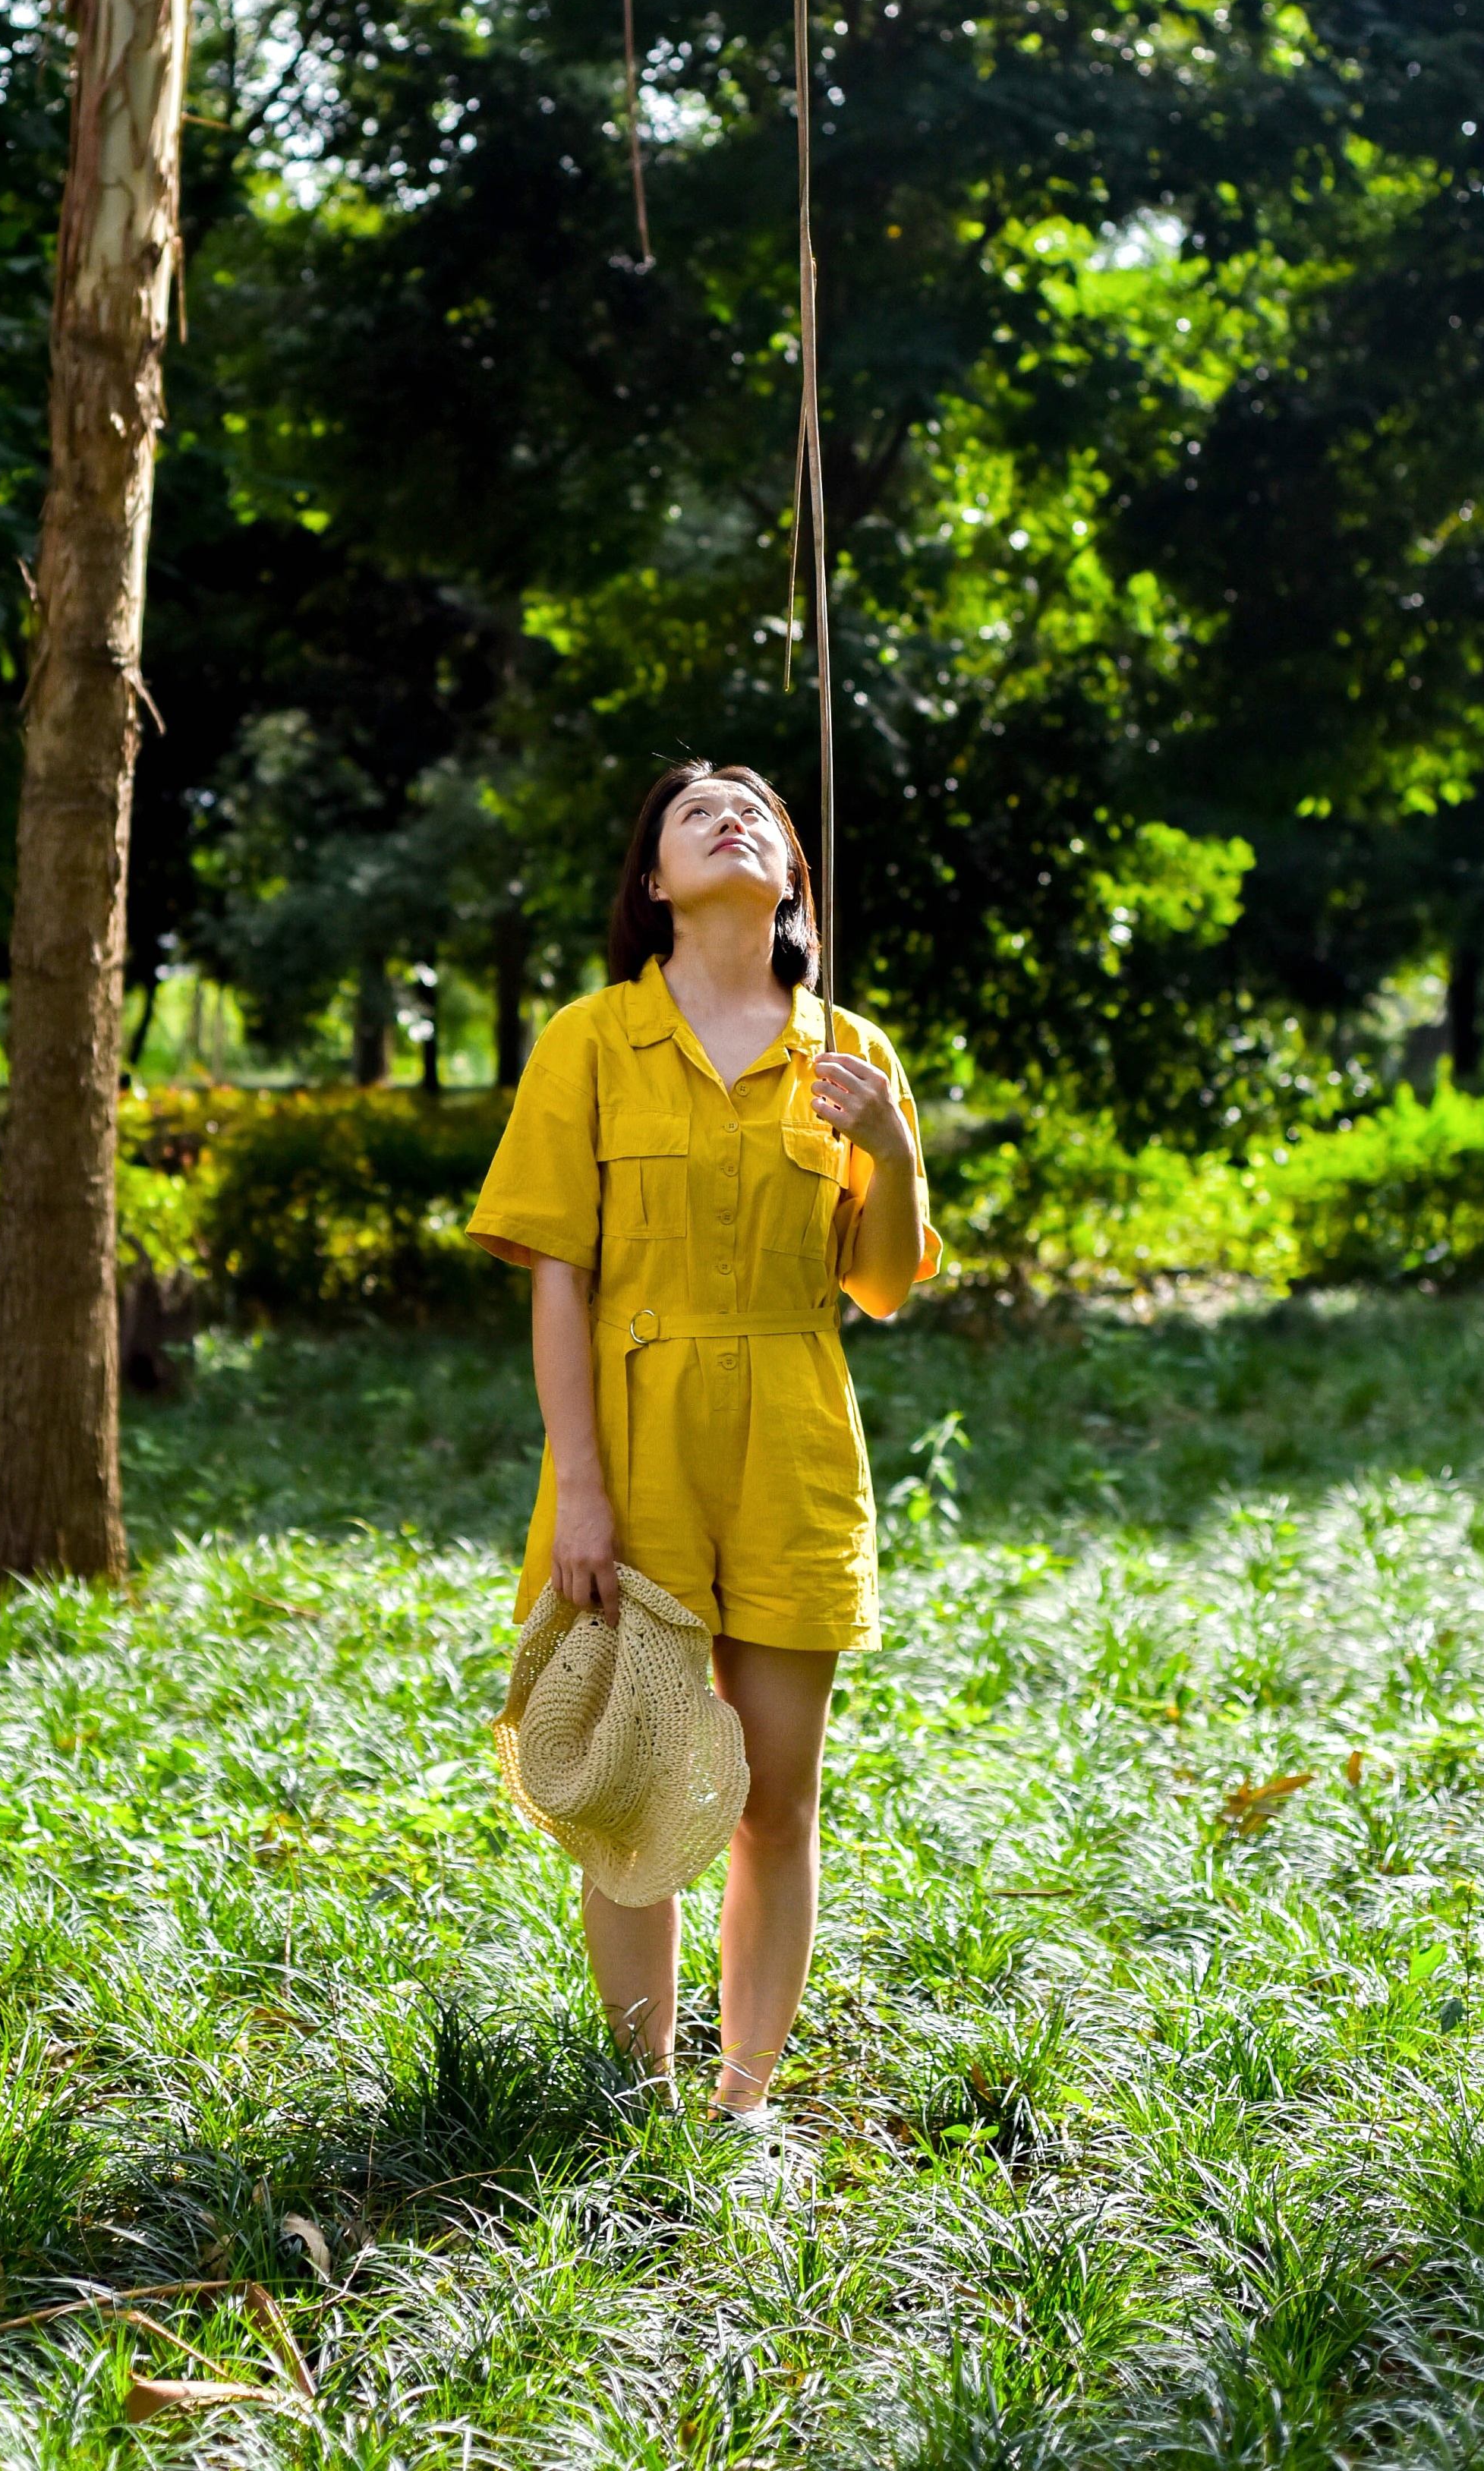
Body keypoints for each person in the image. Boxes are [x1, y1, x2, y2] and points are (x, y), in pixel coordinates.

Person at [467, 760, 940, 2122]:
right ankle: (641, 2101)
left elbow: (885, 1282)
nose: (733, 815)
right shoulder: (591, 1040)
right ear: (656, 882)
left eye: (760, 811)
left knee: (774, 1802)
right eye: (696, 812)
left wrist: (891, 1147)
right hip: (633, 1435)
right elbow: (557, 1272)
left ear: (794, 873)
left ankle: (740, 2106)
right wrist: (583, 1497)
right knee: (638, 1794)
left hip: (793, 1440)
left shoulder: (851, 1049)